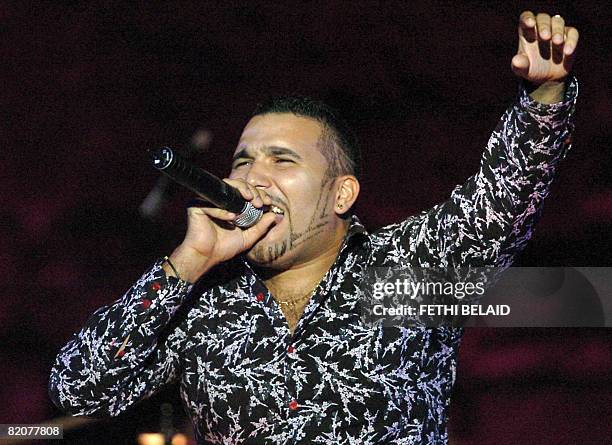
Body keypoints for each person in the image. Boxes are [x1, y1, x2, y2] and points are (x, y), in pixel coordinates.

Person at [49, 11, 579, 444]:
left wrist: (545, 95)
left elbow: (504, 199)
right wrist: (186, 265)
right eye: (241, 162)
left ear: (341, 194)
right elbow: (77, 392)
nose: (252, 178)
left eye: (282, 161)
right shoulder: (203, 303)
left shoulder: (405, 271)